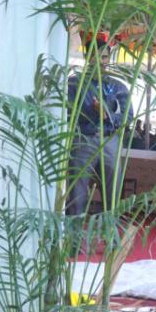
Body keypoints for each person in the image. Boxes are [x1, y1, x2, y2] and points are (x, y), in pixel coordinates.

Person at [63, 33, 130, 215]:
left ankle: (110, 237)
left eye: (105, 56)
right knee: (77, 192)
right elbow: (68, 112)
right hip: (83, 139)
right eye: (95, 55)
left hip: (110, 141)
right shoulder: (74, 83)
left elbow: (127, 116)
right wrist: (93, 111)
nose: (101, 61)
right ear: (87, 56)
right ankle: (73, 240)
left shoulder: (119, 87)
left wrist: (108, 114)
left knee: (113, 192)